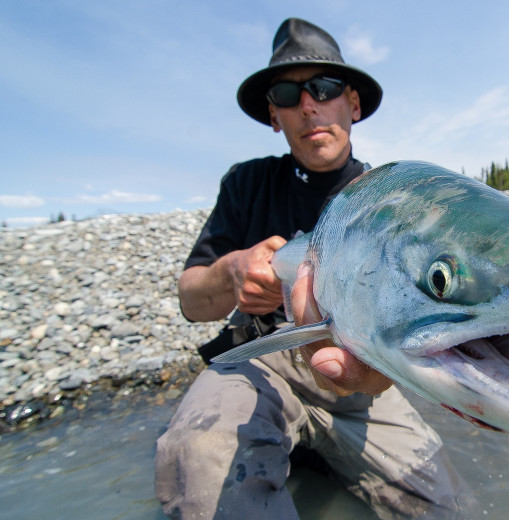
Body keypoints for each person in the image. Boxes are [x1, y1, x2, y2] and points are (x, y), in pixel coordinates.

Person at [154, 18, 470, 519]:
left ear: (353, 104)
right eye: (287, 92)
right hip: (258, 360)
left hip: (358, 380)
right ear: (274, 115)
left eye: (324, 88)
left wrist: (383, 366)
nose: (309, 105)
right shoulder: (245, 184)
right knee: (200, 459)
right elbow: (190, 299)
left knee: (447, 507)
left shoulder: (387, 203)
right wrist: (232, 272)